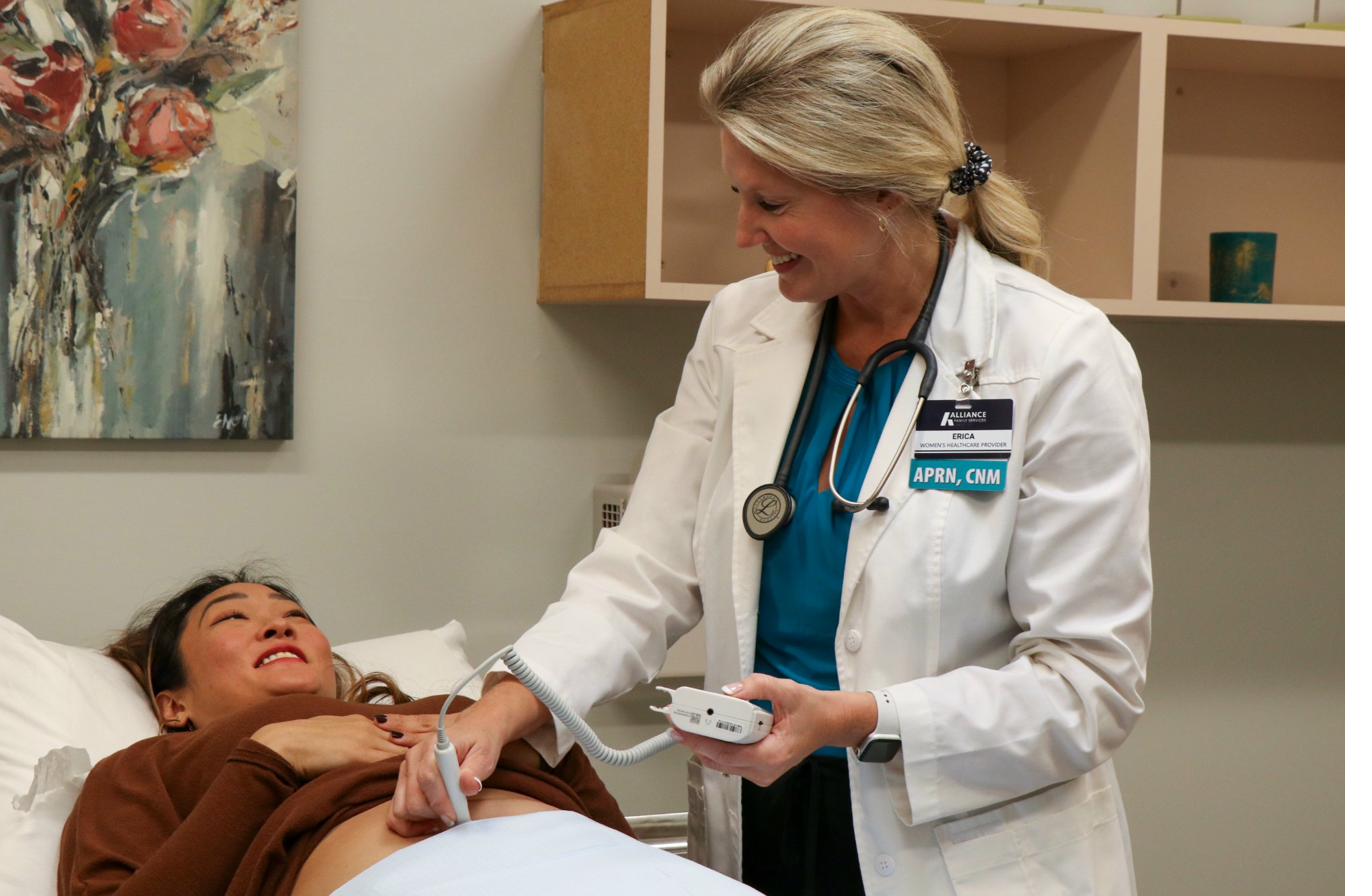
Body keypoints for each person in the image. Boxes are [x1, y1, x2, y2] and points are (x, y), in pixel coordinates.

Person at [389, 8, 1152, 895]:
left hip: (960, 837)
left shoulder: (1057, 355)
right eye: (738, 196)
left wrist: (857, 718)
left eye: (773, 203)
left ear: (882, 191)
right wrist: (507, 706)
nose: (744, 233)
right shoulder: (740, 328)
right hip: (766, 814)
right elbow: (644, 569)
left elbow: (1088, 684)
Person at [58, 568, 634, 896]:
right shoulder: (143, 768)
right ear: (173, 704)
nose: (278, 624)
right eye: (232, 617)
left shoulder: (467, 713)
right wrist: (268, 760)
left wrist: (514, 725)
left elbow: (618, 839)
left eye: (296, 616)